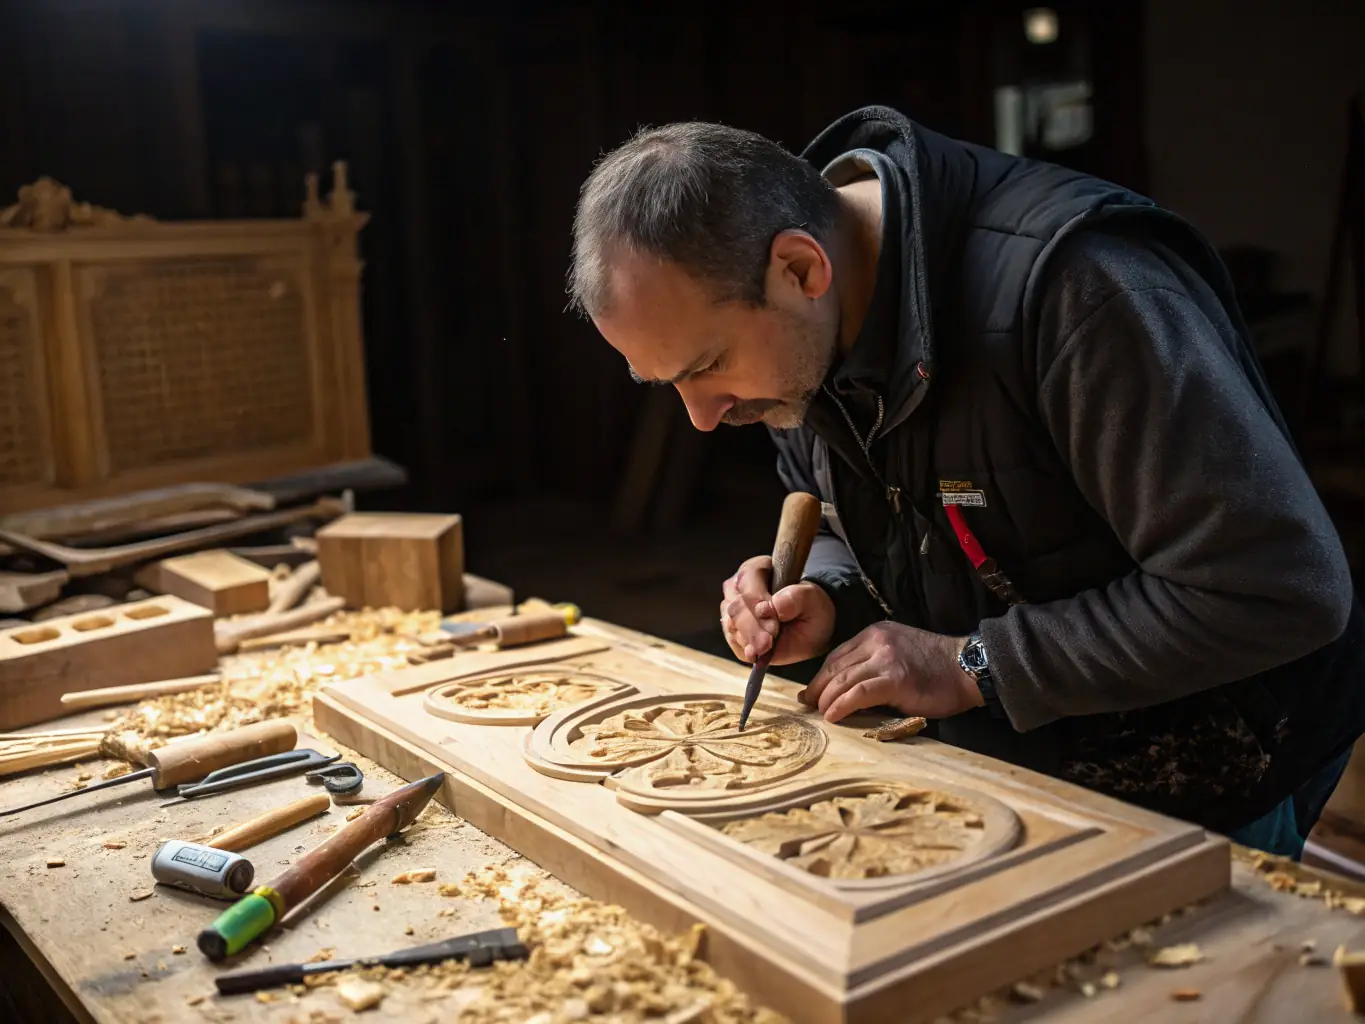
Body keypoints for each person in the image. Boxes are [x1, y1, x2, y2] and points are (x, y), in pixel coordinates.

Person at [567, 105, 1365, 858]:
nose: (701, 418)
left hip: (1215, 758)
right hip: (1024, 755)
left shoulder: (1080, 293)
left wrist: (971, 665)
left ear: (799, 267)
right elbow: (861, 518)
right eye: (664, 382)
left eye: (707, 367)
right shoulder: (800, 332)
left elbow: (1275, 591)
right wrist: (825, 590)